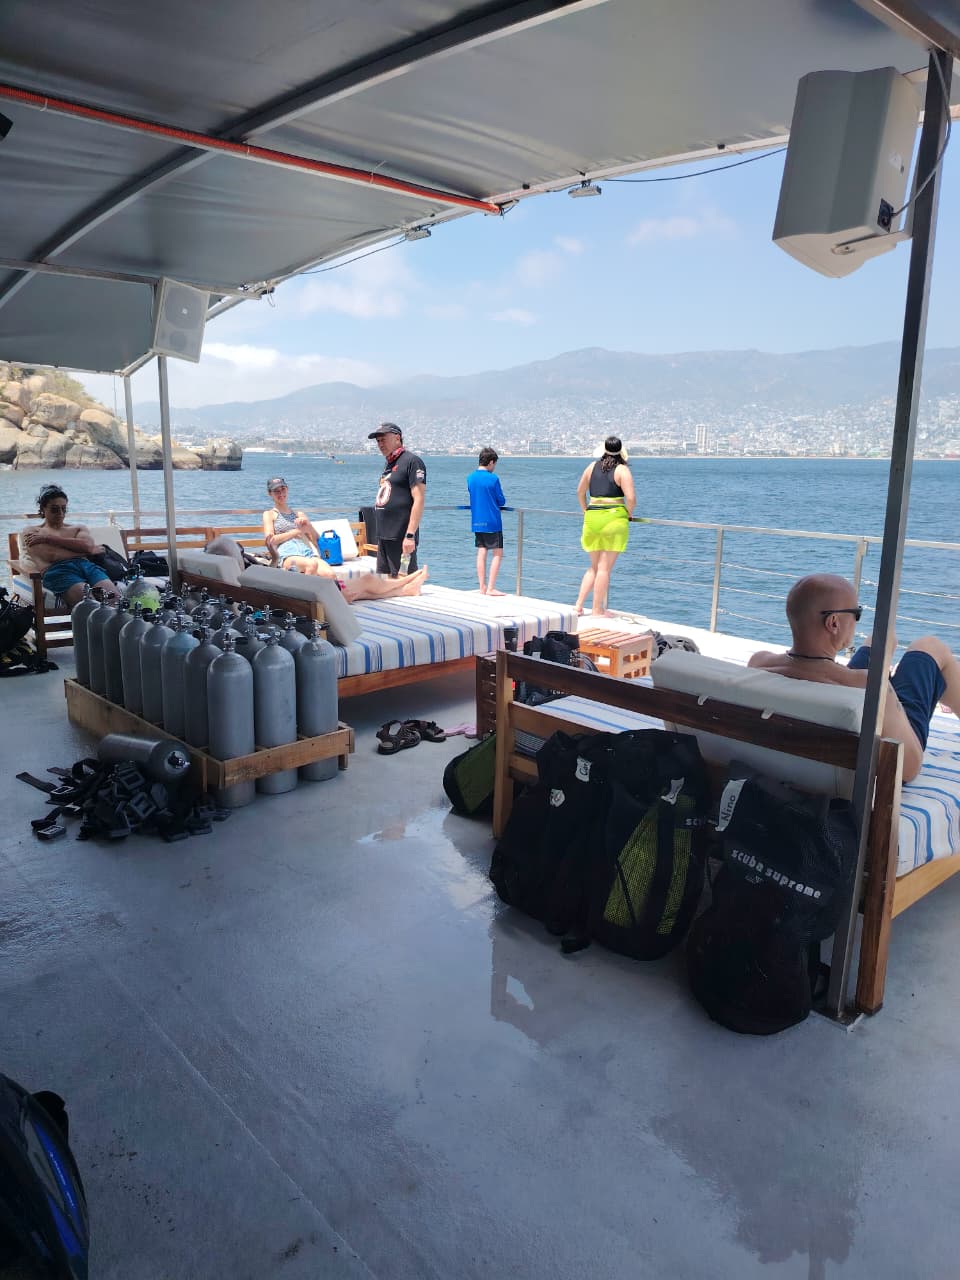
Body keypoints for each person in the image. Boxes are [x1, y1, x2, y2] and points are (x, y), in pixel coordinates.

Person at [748, 573, 960, 783]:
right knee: (930, 646)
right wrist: (892, 699)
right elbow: (908, 768)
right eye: (856, 613)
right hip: (874, 739)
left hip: (830, 699)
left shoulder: (759, 664)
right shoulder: (870, 686)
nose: (857, 620)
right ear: (833, 623)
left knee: (882, 639)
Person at [19, 484, 119, 606]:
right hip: (57, 570)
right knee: (89, 605)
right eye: (54, 509)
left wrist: (48, 539)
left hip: (87, 567)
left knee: (115, 600)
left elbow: (87, 546)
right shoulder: (32, 531)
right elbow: (51, 555)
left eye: (64, 509)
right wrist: (85, 550)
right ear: (43, 508)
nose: (60, 513)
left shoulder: (78, 528)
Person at [574, 435, 635, 616]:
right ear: (621, 452)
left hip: (592, 517)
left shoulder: (591, 467)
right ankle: (597, 609)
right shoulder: (622, 470)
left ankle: (578, 605)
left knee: (594, 566)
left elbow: (580, 492)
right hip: (613, 519)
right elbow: (631, 499)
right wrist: (628, 513)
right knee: (604, 568)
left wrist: (585, 510)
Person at [368, 423, 426, 577]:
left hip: (400, 536)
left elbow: (419, 499)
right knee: (387, 582)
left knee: (404, 581)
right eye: (378, 441)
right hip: (384, 535)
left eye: (383, 439)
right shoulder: (389, 463)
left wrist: (410, 535)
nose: (380, 444)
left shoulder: (412, 462)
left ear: (397, 438)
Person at [467, 447, 507, 595]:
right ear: (490, 462)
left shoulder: (470, 478)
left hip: (477, 520)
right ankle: (490, 588)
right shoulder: (493, 478)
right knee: (498, 553)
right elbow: (501, 500)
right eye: (494, 464)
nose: (494, 467)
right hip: (492, 521)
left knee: (481, 550)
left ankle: (482, 587)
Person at [262, 477, 324, 573]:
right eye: (276, 491)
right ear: (270, 493)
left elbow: (317, 543)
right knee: (311, 565)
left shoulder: (299, 514)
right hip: (287, 552)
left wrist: (309, 526)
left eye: (283, 489)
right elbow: (270, 541)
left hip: (305, 551)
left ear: (287, 489)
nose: (281, 493)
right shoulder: (269, 514)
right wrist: (297, 531)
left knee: (330, 575)